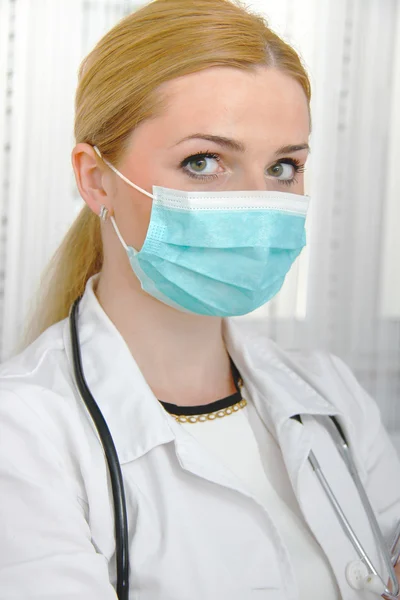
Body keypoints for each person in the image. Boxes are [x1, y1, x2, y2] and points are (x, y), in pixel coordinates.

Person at [1, 0, 400, 599]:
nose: (259, 203)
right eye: (205, 161)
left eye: (285, 167)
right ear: (95, 178)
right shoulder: (23, 432)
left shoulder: (331, 395)